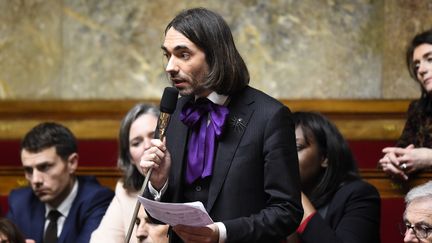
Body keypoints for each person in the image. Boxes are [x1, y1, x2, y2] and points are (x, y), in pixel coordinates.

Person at [140, 7, 303, 243]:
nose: (170, 67)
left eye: (183, 54)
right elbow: (156, 219)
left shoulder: (270, 116)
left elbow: (287, 211)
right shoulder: (173, 113)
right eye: (167, 55)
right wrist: (158, 183)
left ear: (215, 55)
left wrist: (221, 233)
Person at [6, 122, 114, 243]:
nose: (35, 180)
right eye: (29, 170)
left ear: (72, 163)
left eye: (45, 167)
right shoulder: (20, 202)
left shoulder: (98, 200)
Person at [287, 112, 381, 243]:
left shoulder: (358, 195)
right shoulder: (267, 198)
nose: (282, 157)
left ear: (325, 157)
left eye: (297, 147)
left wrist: (292, 193)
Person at [90, 103, 169, 243]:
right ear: (130, 158)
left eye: (154, 136)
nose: (146, 146)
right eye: (136, 143)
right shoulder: (125, 192)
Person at [379, 29, 432, 181]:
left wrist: (429, 157)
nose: (421, 70)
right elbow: (403, 150)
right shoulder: (418, 109)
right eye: (416, 65)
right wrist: (394, 162)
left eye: (430, 59)